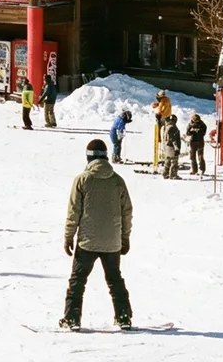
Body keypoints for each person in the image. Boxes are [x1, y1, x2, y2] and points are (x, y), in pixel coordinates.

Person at [60, 138, 133, 331]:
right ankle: (123, 316)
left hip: (87, 242)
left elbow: (73, 211)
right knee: (115, 279)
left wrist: (68, 237)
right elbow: (127, 211)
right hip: (112, 242)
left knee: (78, 280)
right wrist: (125, 238)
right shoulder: (117, 181)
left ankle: (72, 318)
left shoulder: (82, 180)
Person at [162, 116, 182, 180]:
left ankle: (165, 174)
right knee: (174, 161)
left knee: (167, 160)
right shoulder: (173, 127)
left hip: (166, 146)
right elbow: (173, 138)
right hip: (171, 147)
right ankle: (173, 175)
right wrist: (176, 148)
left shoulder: (166, 126)